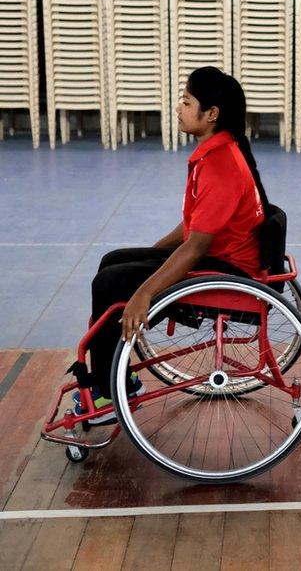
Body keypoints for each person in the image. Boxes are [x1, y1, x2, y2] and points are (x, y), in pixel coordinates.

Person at [76, 66, 269, 423]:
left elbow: (195, 246)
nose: (179, 108)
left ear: (211, 114)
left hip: (226, 270)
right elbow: (192, 226)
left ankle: (105, 396)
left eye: (186, 101)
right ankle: (120, 379)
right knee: (113, 262)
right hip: (217, 254)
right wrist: (151, 256)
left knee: (108, 283)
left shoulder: (221, 164)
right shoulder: (213, 153)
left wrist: (145, 292)